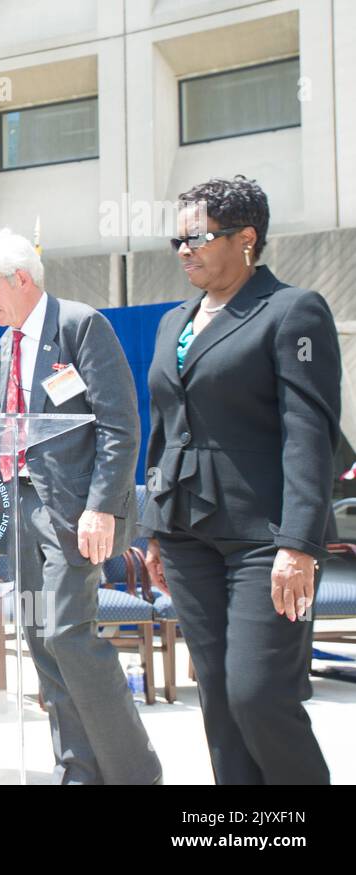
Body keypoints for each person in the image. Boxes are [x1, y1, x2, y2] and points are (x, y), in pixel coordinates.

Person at [141, 176, 339, 784]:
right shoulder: (175, 319)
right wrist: (154, 528)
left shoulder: (292, 311)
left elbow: (309, 433)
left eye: (197, 237)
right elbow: (163, 428)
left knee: (259, 695)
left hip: (266, 538)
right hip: (187, 534)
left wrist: (299, 544)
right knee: (221, 701)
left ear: (246, 239)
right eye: (177, 240)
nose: (184, 250)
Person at [0, 228, 161, 785]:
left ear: (21, 279)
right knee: (41, 639)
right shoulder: (3, 346)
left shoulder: (79, 325)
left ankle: (135, 771)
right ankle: (77, 766)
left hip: (76, 513)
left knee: (66, 633)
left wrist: (101, 507)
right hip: (22, 505)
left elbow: (121, 426)